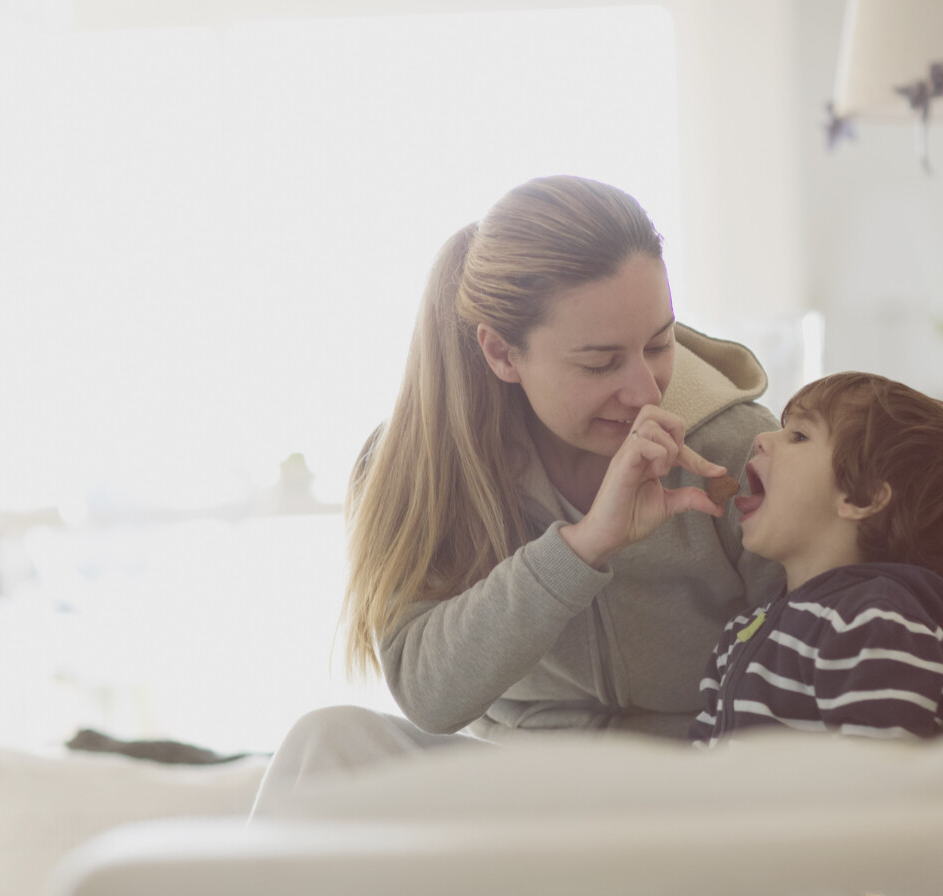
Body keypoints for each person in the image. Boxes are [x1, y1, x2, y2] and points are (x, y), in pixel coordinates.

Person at [251, 175, 783, 814]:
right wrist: (583, 548)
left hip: (690, 794)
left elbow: (811, 659)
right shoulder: (418, 465)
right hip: (521, 793)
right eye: (599, 363)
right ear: (502, 353)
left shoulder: (735, 446)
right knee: (325, 746)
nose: (645, 390)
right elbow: (430, 696)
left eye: (659, 342)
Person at [688, 372, 943, 746]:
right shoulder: (743, 629)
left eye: (800, 436)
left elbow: (876, 780)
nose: (761, 438)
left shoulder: (877, 623)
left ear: (862, 498)